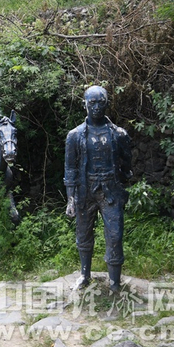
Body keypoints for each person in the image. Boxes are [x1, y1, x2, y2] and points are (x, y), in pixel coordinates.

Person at [64, 86, 132, 292]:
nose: (96, 107)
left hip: (111, 191)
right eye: (91, 102)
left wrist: (121, 183)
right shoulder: (74, 135)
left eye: (100, 102)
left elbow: (127, 164)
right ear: (84, 104)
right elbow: (70, 168)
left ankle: (114, 282)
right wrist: (70, 199)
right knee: (83, 234)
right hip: (85, 191)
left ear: (107, 103)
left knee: (115, 235)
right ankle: (84, 275)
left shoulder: (119, 134)